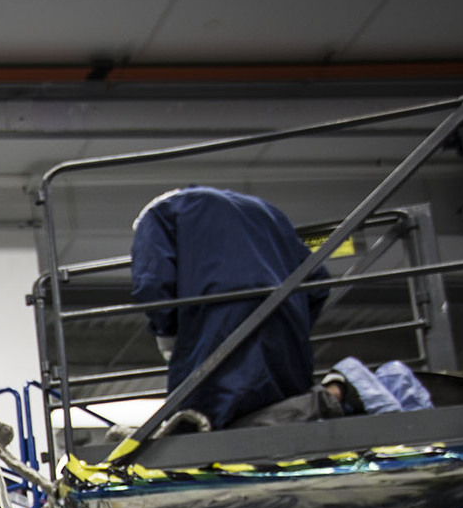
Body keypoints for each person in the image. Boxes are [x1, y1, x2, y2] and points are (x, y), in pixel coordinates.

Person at [129, 185, 326, 433]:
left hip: (219, 317)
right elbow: (318, 280)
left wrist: (168, 334)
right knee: (284, 414)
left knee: (199, 416)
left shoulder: (155, 215)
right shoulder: (267, 211)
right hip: (284, 317)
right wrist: (292, 321)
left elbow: (153, 282)